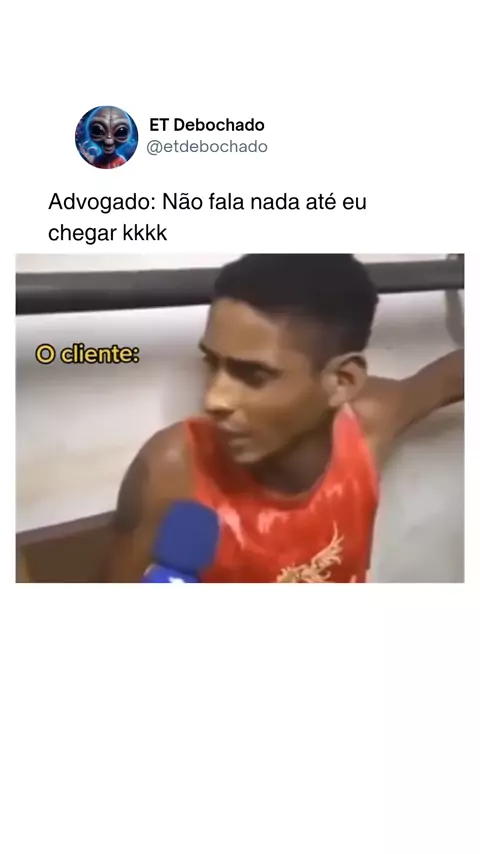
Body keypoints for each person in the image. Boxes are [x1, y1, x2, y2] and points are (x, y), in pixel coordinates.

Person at [102, 254, 464, 583]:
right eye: (212, 363)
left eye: (255, 375)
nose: (214, 399)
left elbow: (451, 376)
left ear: (342, 382)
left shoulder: (367, 424)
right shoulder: (173, 469)